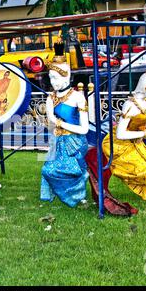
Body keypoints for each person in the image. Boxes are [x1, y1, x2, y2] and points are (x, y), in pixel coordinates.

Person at [102, 52, 146, 201]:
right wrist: (145, 133)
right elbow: (120, 134)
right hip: (120, 145)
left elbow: (145, 126)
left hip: (136, 144)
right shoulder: (130, 105)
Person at [40, 41, 90, 207]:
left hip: (75, 142)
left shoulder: (78, 97)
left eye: (56, 78)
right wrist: (56, 126)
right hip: (58, 142)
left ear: (66, 76)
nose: (53, 82)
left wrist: (60, 123)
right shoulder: (50, 98)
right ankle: (59, 191)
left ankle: (77, 192)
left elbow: (84, 129)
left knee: (72, 169)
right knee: (47, 170)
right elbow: (51, 123)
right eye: (50, 78)